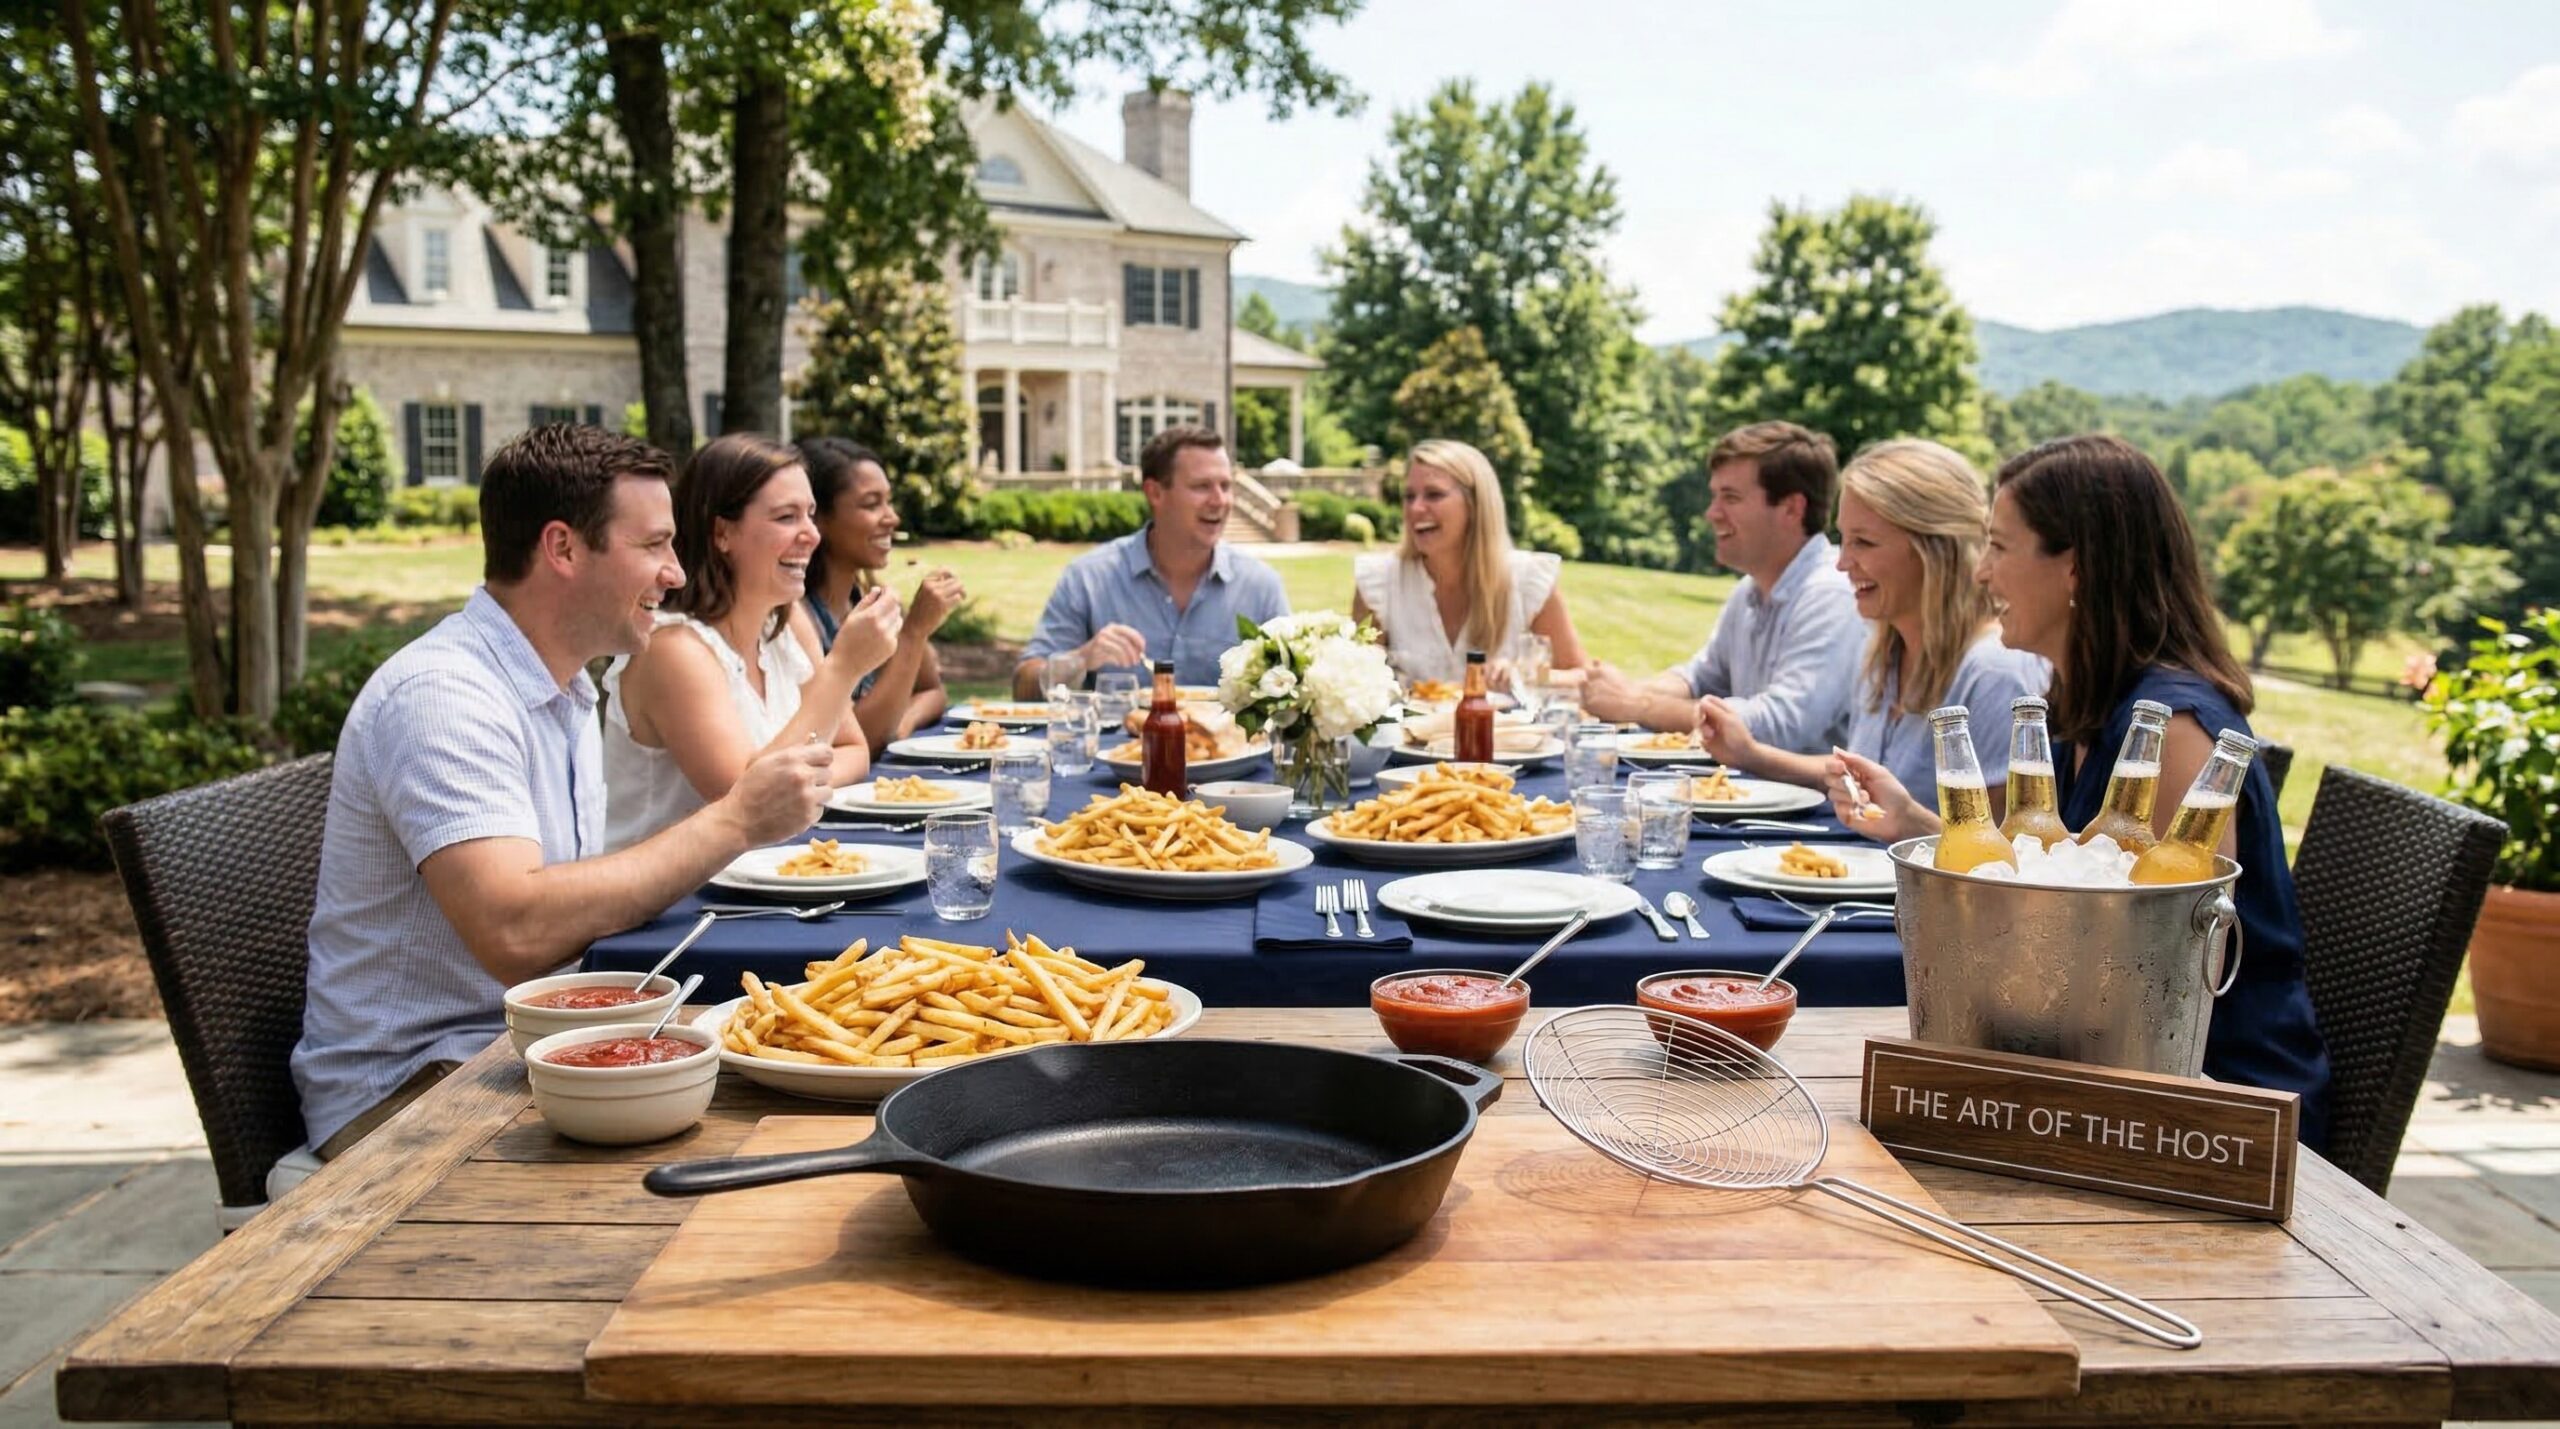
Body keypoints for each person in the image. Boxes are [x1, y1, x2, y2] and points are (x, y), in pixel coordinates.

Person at [292, 425, 836, 1160]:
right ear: (563, 548)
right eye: (652, 546)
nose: (676, 573)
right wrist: (736, 819)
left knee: (802, 1090)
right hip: (415, 1092)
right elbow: (517, 933)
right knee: (769, 1147)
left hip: (529, 1049)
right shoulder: (445, 695)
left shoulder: (566, 685)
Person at [1835, 434, 2332, 1141]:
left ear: (2076, 567)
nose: (1980, 575)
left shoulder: (2175, 731)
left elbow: (2164, 977)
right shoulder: (2083, 708)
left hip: (2216, 1114)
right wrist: (1914, 821)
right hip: (2101, 1079)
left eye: (2000, 548)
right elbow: (2066, 895)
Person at [1696, 439, 2045, 826]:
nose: (1843, 562)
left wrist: (1909, 821)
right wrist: (1753, 756)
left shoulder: (1995, 674)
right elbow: (1869, 777)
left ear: (1934, 551)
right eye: (1843, 539)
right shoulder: (1883, 652)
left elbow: (2010, 862)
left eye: (1864, 542)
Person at [602, 433, 902, 850]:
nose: (812, 535)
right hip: (673, 907)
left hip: (768, 877)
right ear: (723, 533)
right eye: (786, 517)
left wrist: (797, 782)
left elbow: (854, 749)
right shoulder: (673, 650)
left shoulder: (785, 623)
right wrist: (844, 668)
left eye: (811, 515)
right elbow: (750, 804)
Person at [1581, 421, 1863, 749]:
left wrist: (1637, 705)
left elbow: (1780, 725)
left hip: (1820, 800)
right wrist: (1622, 693)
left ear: (1791, 508)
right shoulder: (1749, 590)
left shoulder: (1831, 594)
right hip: (1760, 794)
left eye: (1730, 497)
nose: (1711, 513)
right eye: (1715, 496)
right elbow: (1699, 678)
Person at [1014, 424, 1289, 697]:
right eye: (1201, 486)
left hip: (1224, 741)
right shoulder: (1088, 577)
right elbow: (1023, 687)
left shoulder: (1260, 586)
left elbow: (1292, 692)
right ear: (1155, 493)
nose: (1220, 500)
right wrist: (1081, 659)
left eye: (1226, 486)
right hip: (1121, 742)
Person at [1350, 438, 1585, 683]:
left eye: (1434, 495)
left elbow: (1581, 678)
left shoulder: (1528, 580)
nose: (1416, 508)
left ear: (1474, 505)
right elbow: (1359, 687)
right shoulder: (1379, 583)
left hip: (1504, 723)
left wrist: (1524, 675)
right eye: (1409, 496)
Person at [800, 437, 964, 745]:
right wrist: (915, 631)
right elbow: (860, 737)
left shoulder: (868, 600)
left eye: (888, 501)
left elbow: (932, 691)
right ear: (818, 518)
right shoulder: (801, 618)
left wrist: (903, 720)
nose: (892, 517)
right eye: (871, 504)